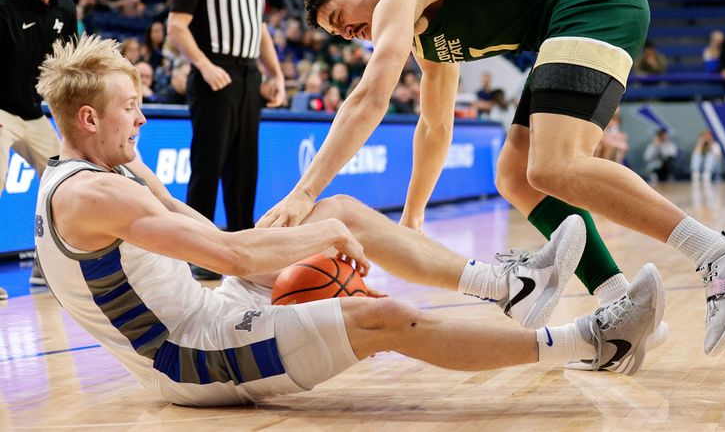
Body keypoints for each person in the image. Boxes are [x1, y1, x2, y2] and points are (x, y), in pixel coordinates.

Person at [33, 34, 664, 404]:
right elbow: (225, 258)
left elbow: (217, 239)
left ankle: (507, 285)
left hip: (210, 312)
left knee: (331, 206)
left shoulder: (113, 171)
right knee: (380, 314)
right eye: (132, 108)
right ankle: (596, 341)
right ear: (89, 120)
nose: (142, 119)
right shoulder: (92, 195)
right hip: (190, 354)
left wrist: (312, 225)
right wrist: (320, 240)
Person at [263, 0, 725, 358]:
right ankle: (623, 307)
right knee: (514, 171)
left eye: (339, 16)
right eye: (337, 33)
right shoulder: (426, 37)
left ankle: (720, 250)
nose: (349, 34)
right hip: (565, 20)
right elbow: (434, 126)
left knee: (555, 165)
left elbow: (370, 96)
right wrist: (412, 218)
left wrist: (305, 192)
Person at [168, 0, 286, 280]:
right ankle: (199, 252)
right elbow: (176, 26)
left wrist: (277, 74)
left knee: (244, 166)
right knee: (208, 165)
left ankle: (242, 249)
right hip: (214, 74)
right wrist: (204, 65)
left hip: (249, 76)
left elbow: (260, 30)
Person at [0, 0, 77, 293]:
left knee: (65, 182)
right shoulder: (6, 7)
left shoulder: (66, 10)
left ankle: (45, 267)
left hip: (35, 115)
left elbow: (70, 67)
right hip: (1, 112)